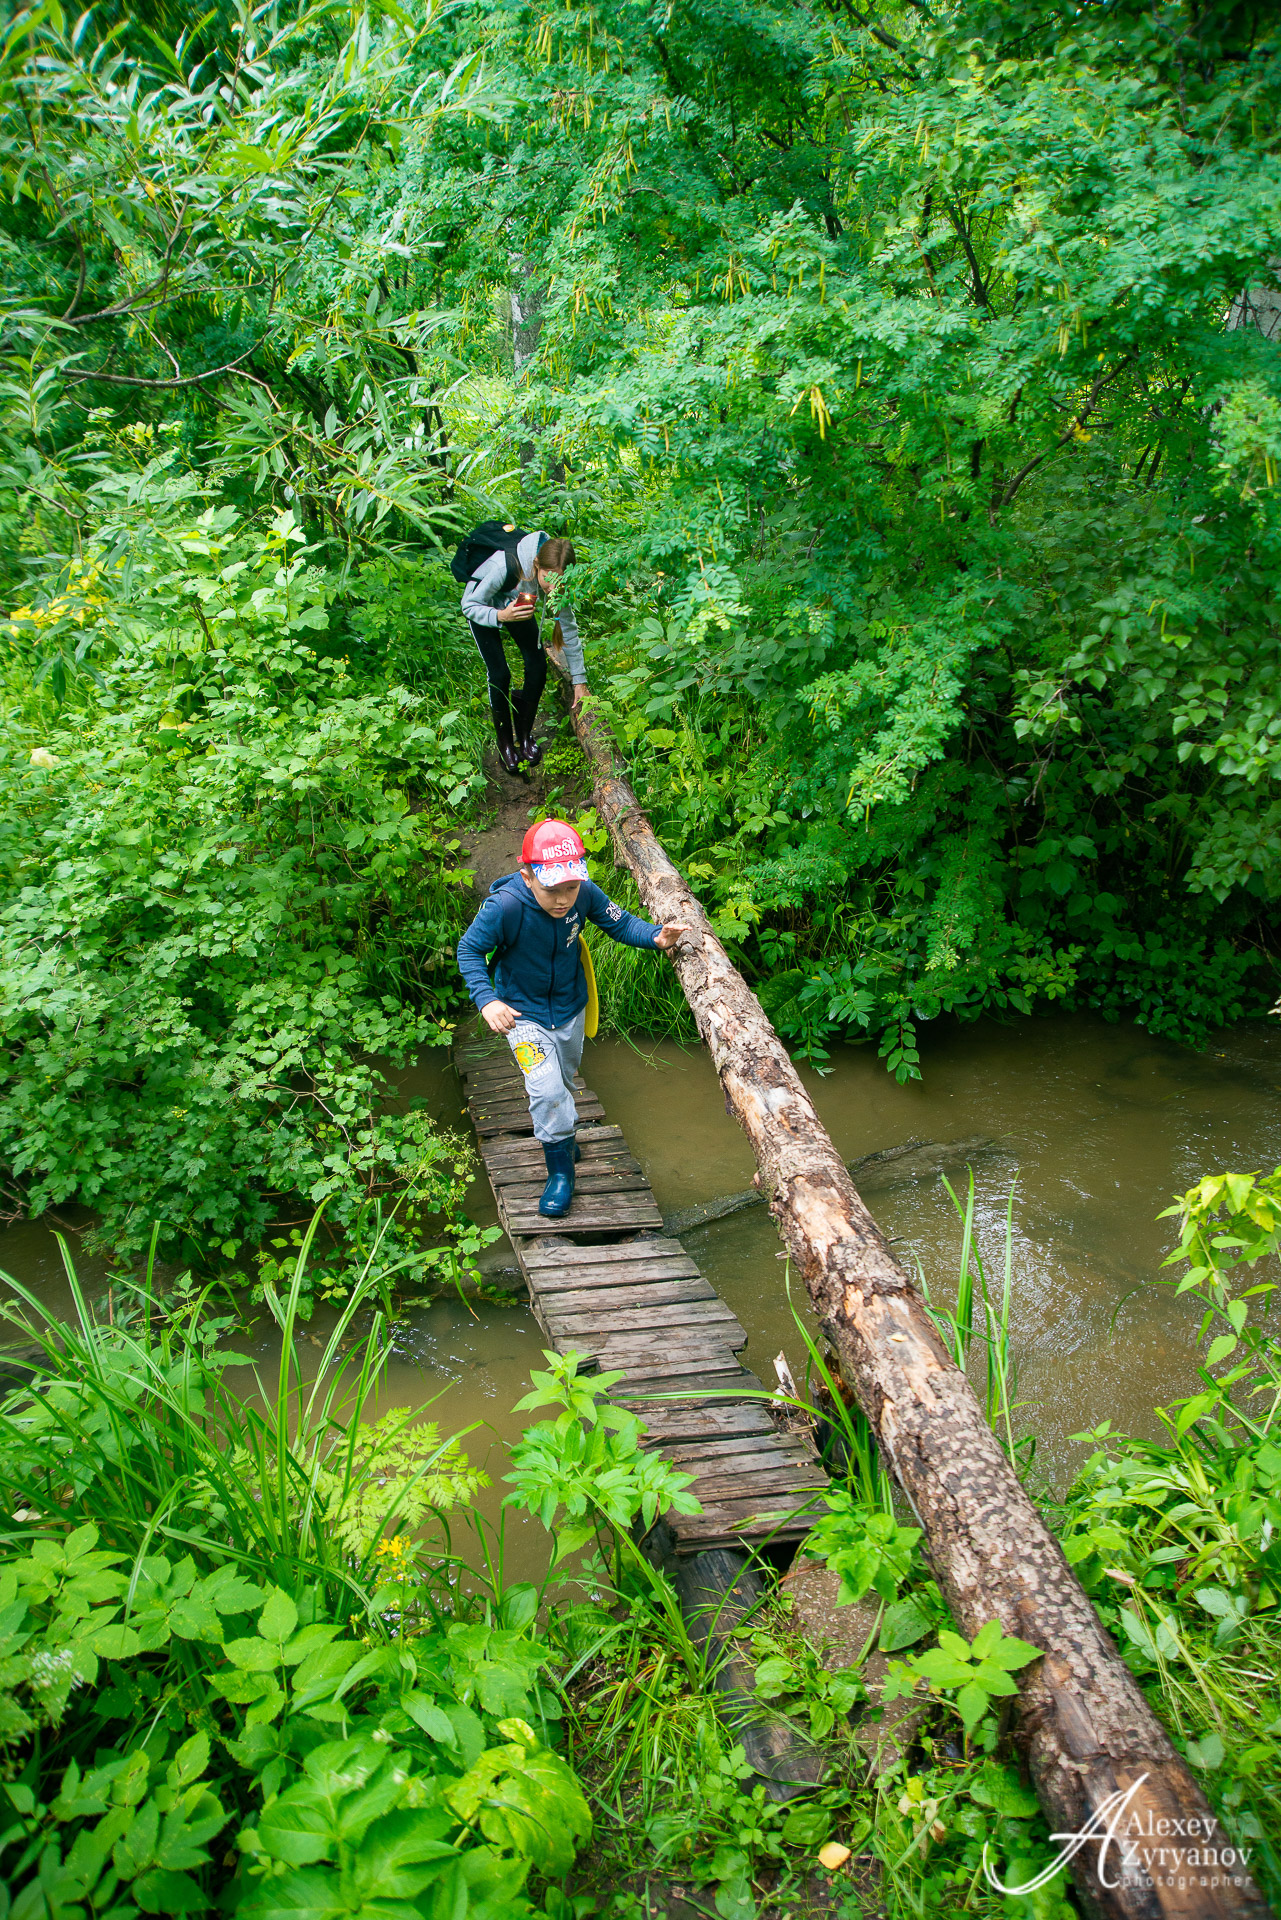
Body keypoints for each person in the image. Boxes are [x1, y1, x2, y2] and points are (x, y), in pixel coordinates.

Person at [456, 819, 687, 1217]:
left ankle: (561, 1134)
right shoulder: (505, 907)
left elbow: (620, 922)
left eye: (571, 887)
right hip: (522, 1015)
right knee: (545, 1090)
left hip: (570, 1007)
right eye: (552, 889)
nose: (563, 899)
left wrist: (655, 937)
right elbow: (468, 951)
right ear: (527, 875)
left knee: (564, 1077)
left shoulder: (584, 893)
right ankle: (560, 1172)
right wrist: (486, 1000)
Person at [460, 530, 588, 775]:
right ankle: (505, 743)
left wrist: (579, 682)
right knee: (500, 674)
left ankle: (525, 734)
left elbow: (569, 630)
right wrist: (500, 616)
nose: (553, 588)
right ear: (535, 564)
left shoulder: (557, 581)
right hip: (485, 607)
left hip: (517, 603)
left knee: (537, 665)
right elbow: (469, 606)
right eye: (547, 579)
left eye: (559, 582)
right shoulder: (502, 566)